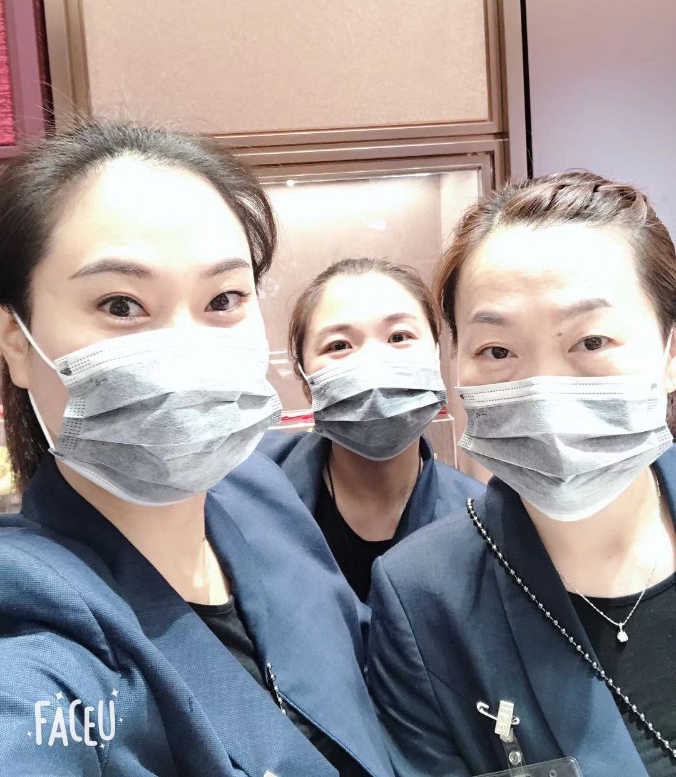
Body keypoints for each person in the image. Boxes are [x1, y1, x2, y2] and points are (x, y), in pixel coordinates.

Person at [0, 120, 393, 777]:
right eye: (120, 304)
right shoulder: (33, 625)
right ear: (16, 341)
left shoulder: (259, 494)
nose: (186, 345)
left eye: (224, 298)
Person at [367, 171, 676, 776]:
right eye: (497, 351)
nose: (544, 389)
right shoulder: (423, 597)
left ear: (669, 353)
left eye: (592, 340)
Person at [258, 258, 483, 602]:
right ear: (305, 380)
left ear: (436, 357)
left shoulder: (478, 520)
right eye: (339, 346)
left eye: (399, 336)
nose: (373, 363)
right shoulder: (254, 491)